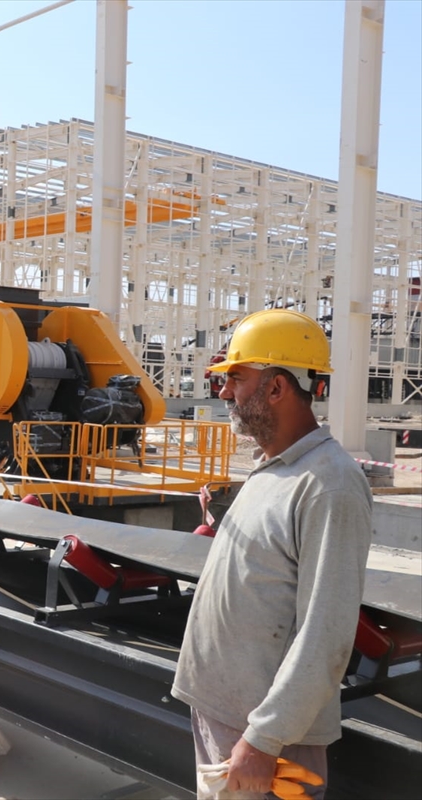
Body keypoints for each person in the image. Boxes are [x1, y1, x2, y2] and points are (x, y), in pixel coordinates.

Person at [172, 309, 372, 799]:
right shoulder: (273, 467)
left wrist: (264, 739)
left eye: (236, 378)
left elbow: (326, 634)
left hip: (265, 741)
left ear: (277, 387)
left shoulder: (329, 485)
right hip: (228, 717)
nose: (224, 392)